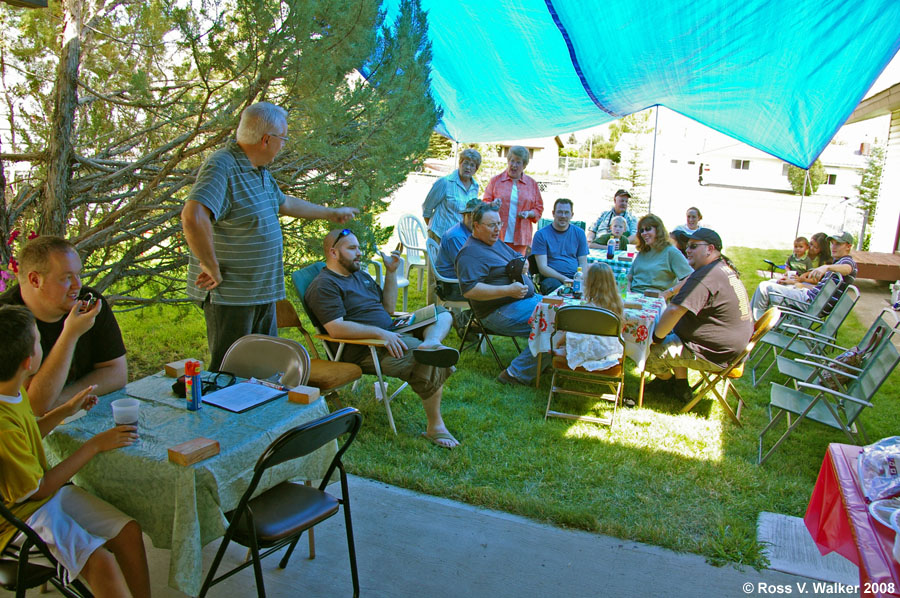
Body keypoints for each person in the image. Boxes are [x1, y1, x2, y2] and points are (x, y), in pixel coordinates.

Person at [181, 102, 358, 371]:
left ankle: (255, 413)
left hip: (261, 290)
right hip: (232, 295)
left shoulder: (257, 169)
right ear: (266, 139)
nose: (284, 145)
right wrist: (211, 266)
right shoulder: (223, 166)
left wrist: (329, 213)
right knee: (231, 371)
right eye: (283, 139)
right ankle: (225, 414)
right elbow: (193, 216)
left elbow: (284, 203)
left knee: (262, 366)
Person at [0, 305, 150, 597]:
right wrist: (94, 445)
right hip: (17, 520)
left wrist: (64, 410)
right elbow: (38, 490)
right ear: (30, 362)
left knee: (128, 531)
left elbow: (27, 437)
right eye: (40, 341)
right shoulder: (3, 425)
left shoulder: (10, 390)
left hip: (38, 498)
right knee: (101, 562)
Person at [305, 229, 460, 449]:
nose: (359, 253)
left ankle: (431, 342)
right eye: (352, 248)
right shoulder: (325, 285)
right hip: (366, 348)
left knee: (441, 314)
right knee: (426, 359)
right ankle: (436, 427)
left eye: (359, 247)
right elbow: (336, 328)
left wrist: (390, 272)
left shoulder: (359, 275)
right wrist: (380, 334)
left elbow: (387, 307)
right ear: (333, 252)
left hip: (390, 332)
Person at [0, 236, 127, 416]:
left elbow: (117, 373)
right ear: (35, 280)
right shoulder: (8, 321)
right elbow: (34, 405)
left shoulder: (88, 302)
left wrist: (60, 401)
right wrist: (71, 334)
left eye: (78, 274)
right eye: (67, 277)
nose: (78, 285)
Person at [644, 228, 753, 401]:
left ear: (710, 249)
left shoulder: (707, 276)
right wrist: (668, 292)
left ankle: (669, 382)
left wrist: (656, 338)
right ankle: (681, 386)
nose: (688, 250)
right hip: (730, 347)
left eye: (694, 246)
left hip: (716, 353)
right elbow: (689, 279)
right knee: (675, 332)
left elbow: (674, 311)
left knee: (646, 352)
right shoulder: (720, 267)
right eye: (687, 246)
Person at [456, 204, 547, 386]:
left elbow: (516, 256)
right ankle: (515, 374)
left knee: (563, 311)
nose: (497, 229)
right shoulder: (470, 254)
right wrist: (508, 290)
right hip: (497, 312)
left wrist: (523, 263)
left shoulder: (495, 242)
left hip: (522, 302)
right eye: (492, 225)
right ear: (476, 226)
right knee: (553, 323)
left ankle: (542, 363)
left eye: (499, 223)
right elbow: (470, 290)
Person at [750, 231, 857, 320]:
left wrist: (826, 267)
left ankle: (755, 323)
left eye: (838, 244)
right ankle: (748, 319)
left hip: (810, 304)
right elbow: (819, 289)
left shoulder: (847, 261)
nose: (833, 247)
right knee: (772, 282)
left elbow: (848, 268)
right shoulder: (838, 262)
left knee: (764, 287)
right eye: (832, 243)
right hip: (809, 297)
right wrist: (796, 283)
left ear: (848, 246)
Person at [553, 263, 624, 372]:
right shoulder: (617, 304)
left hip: (595, 350)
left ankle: (566, 351)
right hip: (612, 348)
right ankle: (567, 350)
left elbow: (572, 329)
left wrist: (558, 343)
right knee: (588, 335)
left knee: (575, 332)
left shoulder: (589, 308)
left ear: (589, 284)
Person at [482, 146, 543, 255]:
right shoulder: (495, 181)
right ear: (508, 161)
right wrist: (492, 204)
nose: (514, 165)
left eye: (518, 162)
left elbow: (539, 208)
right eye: (512, 161)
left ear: (524, 165)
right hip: (497, 234)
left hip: (521, 237)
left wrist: (528, 213)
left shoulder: (532, 184)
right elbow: (484, 203)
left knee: (517, 267)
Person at [531, 198, 589, 294]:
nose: (563, 216)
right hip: (552, 278)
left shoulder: (580, 233)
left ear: (572, 215)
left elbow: (583, 263)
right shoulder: (541, 235)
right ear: (553, 213)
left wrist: (580, 279)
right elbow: (543, 268)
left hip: (575, 277)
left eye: (566, 213)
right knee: (556, 287)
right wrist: (565, 280)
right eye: (559, 212)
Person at [422, 148, 482, 241]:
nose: (468, 168)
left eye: (472, 165)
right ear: (460, 163)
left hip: (460, 237)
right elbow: (427, 208)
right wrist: (432, 229)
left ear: (476, 169)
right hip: (439, 235)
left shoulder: (475, 187)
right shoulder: (445, 182)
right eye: (465, 163)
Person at [628, 214, 692, 297]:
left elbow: (690, 278)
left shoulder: (671, 252)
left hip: (654, 299)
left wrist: (667, 294)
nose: (644, 233)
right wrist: (627, 290)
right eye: (641, 231)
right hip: (633, 296)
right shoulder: (643, 251)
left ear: (658, 230)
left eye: (648, 229)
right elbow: (629, 276)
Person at [434, 198, 481, 302]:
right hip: (452, 286)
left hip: (464, 281)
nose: (473, 220)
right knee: (500, 294)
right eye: (470, 216)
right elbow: (467, 268)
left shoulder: (473, 232)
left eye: (477, 217)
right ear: (463, 216)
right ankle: (468, 317)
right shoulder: (456, 236)